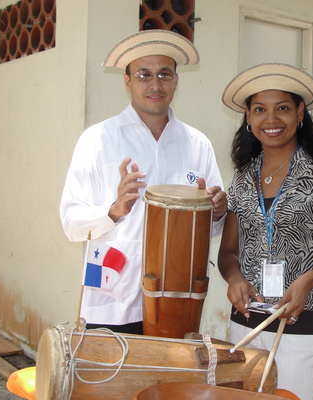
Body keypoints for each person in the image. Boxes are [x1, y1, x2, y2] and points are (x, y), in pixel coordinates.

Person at [218, 63, 313, 400]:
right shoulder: (243, 176)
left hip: (300, 324)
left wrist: (308, 281)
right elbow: (228, 252)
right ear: (248, 116)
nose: (271, 120)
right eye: (260, 109)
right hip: (245, 321)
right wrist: (234, 279)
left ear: (300, 111)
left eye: (283, 108)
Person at [59, 30, 227, 335]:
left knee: (165, 382)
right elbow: (71, 223)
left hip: (176, 300)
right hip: (110, 299)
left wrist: (215, 212)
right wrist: (114, 210)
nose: (155, 84)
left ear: (176, 80)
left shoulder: (197, 144)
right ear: (127, 82)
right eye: (143, 75)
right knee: (109, 380)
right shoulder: (98, 140)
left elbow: (212, 231)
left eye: (164, 74)